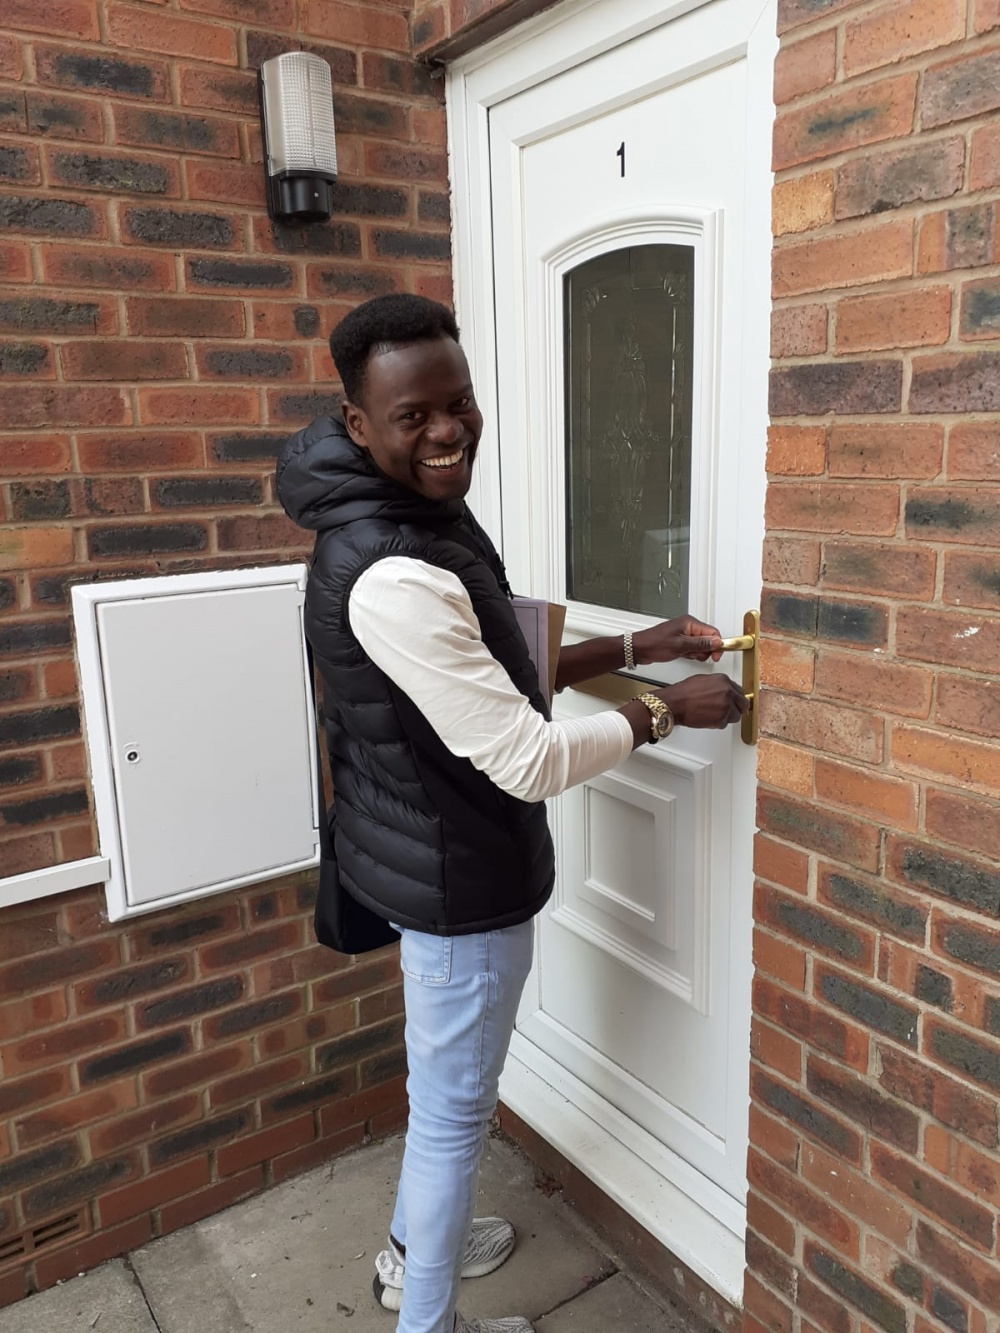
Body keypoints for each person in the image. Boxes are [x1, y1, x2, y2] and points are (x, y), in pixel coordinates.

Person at [276, 294, 747, 1333]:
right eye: (413, 416)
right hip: (461, 888)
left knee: (439, 1100)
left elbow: (498, 661)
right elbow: (525, 757)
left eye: (460, 402)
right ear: (358, 423)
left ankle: (412, 1255)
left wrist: (639, 646)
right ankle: (427, 1316)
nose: (448, 431)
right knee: (453, 1118)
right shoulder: (393, 570)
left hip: (424, 855)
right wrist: (666, 710)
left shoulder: (406, 512)